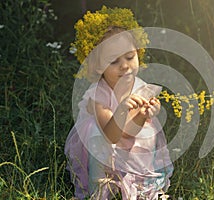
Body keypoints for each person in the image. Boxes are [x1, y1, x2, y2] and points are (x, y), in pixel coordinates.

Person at [64, 6, 173, 200]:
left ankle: (141, 184)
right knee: (96, 136)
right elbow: (111, 135)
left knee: (148, 132)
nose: (124, 65)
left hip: (129, 142)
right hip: (106, 143)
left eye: (130, 57)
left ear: (138, 52)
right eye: (113, 61)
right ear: (98, 66)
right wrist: (122, 109)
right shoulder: (98, 95)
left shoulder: (141, 88)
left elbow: (131, 130)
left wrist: (144, 114)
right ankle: (101, 187)